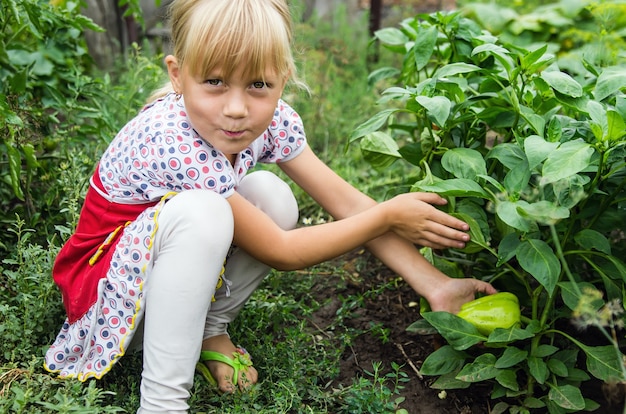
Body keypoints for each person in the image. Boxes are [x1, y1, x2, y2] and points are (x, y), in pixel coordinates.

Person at [44, 0, 497, 412]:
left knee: (271, 194)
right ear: (177, 75)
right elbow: (283, 252)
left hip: (161, 286)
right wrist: (389, 213)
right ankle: (163, 402)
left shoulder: (271, 120)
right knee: (206, 213)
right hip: (107, 302)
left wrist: (435, 285)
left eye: (259, 84)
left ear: (283, 77)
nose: (238, 108)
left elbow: (346, 203)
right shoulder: (173, 142)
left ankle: (207, 330)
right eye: (215, 82)